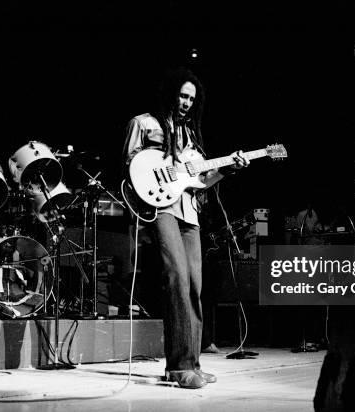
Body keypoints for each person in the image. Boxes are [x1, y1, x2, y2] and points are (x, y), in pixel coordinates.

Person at [122, 67, 248, 389]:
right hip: (160, 208)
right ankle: (179, 367)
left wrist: (227, 169)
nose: (187, 102)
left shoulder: (191, 136)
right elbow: (133, 167)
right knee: (176, 277)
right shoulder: (144, 123)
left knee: (194, 284)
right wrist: (169, 169)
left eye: (192, 98)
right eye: (182, 95)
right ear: (170, 92)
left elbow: (201, 181)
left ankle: (191, 362)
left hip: (189, 213)